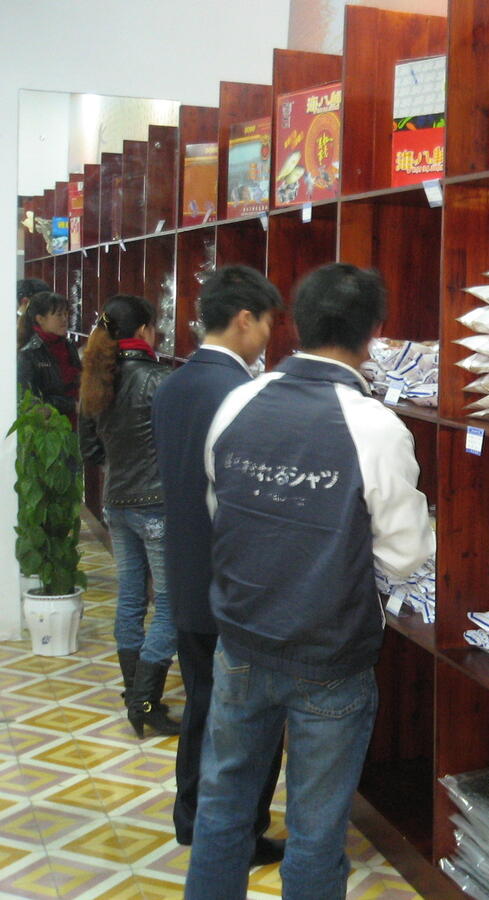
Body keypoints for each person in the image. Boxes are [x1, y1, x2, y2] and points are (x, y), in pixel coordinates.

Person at [185, 264, 434, 899]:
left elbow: (221, 508)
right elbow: (405, 557)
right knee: (316, 833)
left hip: (241, 640)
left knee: (222, 809)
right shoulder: (377, 427)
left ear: (293, 323)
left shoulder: (239, 401)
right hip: (330, 654)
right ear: (374, 333)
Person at [151, 266, 286, 866]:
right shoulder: (241, 394)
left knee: (203, 705)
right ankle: (236, 832)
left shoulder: (174, 384)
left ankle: (192, 818)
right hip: (233, 582)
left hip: (185, 571)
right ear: (244, 319)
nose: (269, 337)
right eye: (268, 324)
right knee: (243, 719)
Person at [79, 294, 181, 738]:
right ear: (144, 331)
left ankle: (134, 693)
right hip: (156, 505)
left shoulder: (97, 378)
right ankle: (144, 700)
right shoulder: (160, 379)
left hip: (115, 502)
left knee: (132, 599)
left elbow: (90, 449)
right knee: (172, 606)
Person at [17, 291, 81, 424]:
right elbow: (29, 402)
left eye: (66, 314)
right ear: (40, 319)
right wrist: (70, 405)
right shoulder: (29, 354)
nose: (64, 319)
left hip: (78, 422)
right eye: (59, 315)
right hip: (51, 427)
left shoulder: (69, 346)